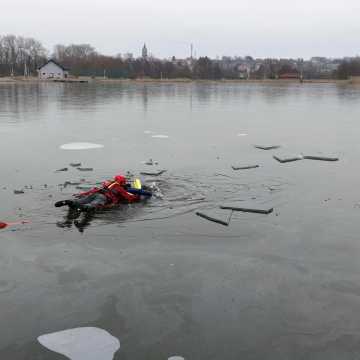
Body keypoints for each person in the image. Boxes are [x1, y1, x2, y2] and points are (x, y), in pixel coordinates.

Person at [55, 174, 152, 212]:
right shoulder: (120, 189)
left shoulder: (108, 183)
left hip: (96, 193)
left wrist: (83, 194)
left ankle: (69, 202)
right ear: (122, 183)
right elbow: (130, 198)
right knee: (94, 204)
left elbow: (95, 189)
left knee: (81, 201)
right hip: (103, 197)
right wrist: (138, 197)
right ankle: (84, 208)